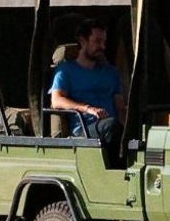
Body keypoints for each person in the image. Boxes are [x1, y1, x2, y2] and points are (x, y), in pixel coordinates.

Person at [49, 19, 125, 155]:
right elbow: (56, 100)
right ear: (83, 41)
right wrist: (88, 109)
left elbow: (120, 106)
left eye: (104, 42)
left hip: (113, 128)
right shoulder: (66, 71)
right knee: (111, 126)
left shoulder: (110, 72)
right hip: (84, 129)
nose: (102, 47)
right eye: (97, 41)